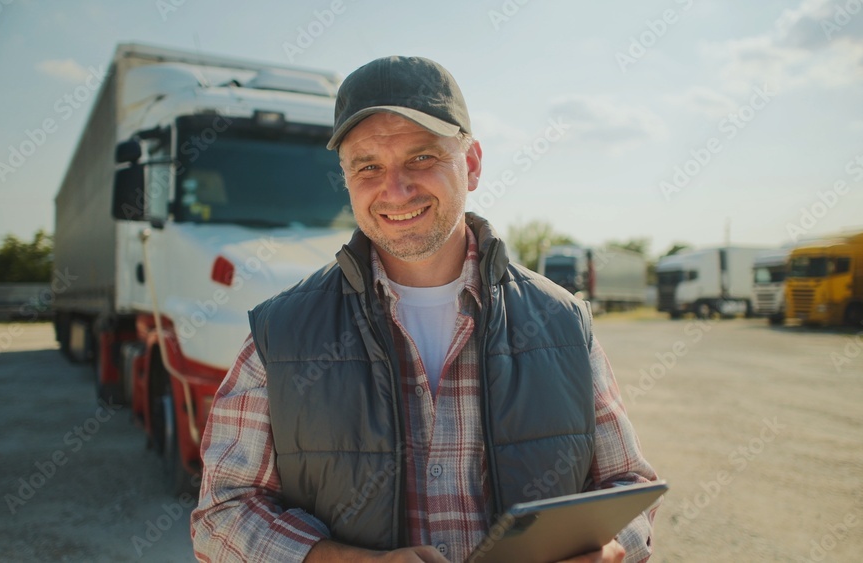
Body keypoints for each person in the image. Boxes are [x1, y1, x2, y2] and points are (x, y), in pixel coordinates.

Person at [191, 55, 658, 563]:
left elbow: (628, 485)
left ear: (472, 164)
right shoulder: (278, 335)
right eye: (368, 166)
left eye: (422, 158)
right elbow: (220, 516)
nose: (396, 189)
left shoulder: (564, 322)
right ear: (346, 177)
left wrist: (614, 551)